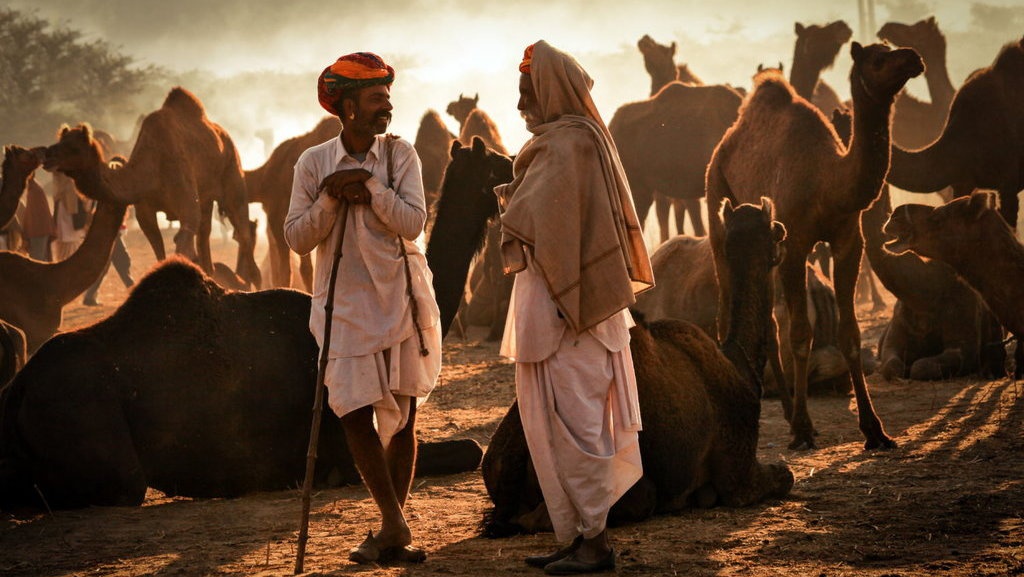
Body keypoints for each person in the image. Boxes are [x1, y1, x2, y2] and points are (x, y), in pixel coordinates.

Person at [495, 40, 654, 575]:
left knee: (581, 429)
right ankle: (578, 536)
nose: (521, 106)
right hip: (561, 309)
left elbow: (547, 229)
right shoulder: (567, 143)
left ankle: (597, 545)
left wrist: (510, 203)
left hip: (573, 313)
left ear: (548, 91)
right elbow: (542, 215)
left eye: (527, 93)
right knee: (555, 427)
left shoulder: (567, 147)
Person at [284, 51, 441, 565]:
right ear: (347, 107)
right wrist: (330, 196)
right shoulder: (313, 163)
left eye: (387, 98)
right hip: (342, 305)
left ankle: (391, 529)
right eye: (376, 99)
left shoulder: (400, 158)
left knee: (404, 416)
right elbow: (297, 238)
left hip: (399, 297)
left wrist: (369, 187)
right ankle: (395, 525)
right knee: (353, 412)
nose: (386, 108)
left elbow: (413, 223)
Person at [82, 206, 135, 306]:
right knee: (122, 264)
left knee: (109, 266)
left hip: (109, 235)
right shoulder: (113, 204)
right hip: (111, 235)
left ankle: (89, 296)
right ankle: (133, 291)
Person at [21, 174, 55, 261]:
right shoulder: (34, 189)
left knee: (37, 260)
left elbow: (32, 216)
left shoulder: (34, 192)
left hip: (38, 232)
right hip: (40, 231)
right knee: (42, 259)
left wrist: (25, 234)